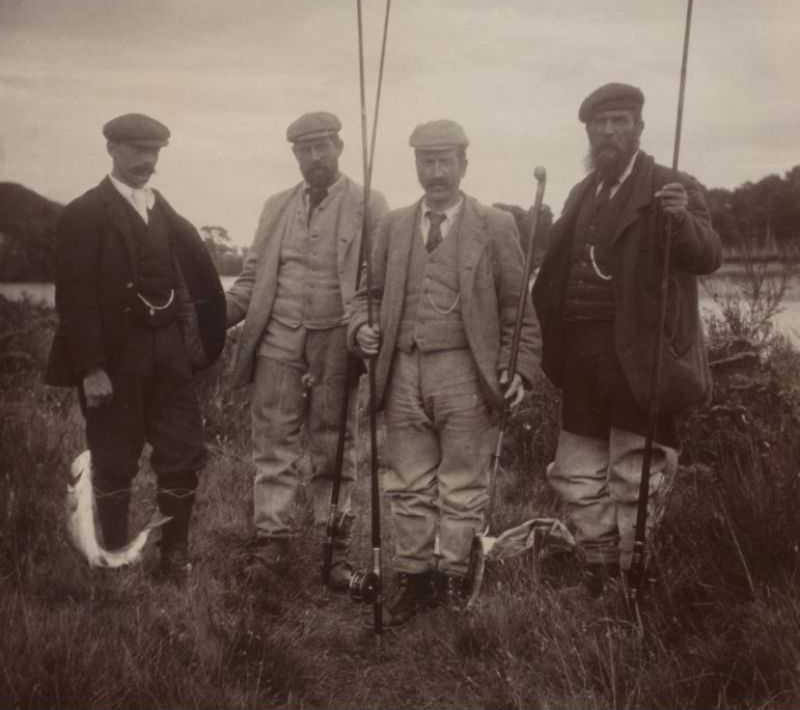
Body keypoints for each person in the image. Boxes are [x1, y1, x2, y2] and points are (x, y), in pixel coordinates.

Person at [532, 82, 722, 593]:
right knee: (576, 470)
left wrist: (680, 220)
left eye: (620, 122)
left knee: (636, 472)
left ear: (639, 128)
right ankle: (597, 568)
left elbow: (707, 255)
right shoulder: (581, 192)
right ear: (590, 132)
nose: (610, 132)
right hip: (582, 358)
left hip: (642, 358)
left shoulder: (670, 186)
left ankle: (634, 572)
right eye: (601, 124)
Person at [350, 119, 540, 625]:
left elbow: (518, 310)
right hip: (402, 371)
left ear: (463, 164)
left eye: (445, 161)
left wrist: (517, 367)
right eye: (426, 161)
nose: (436, 172)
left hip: (465, 371)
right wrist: (360, 332)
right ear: (415, 165)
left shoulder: (495, 225)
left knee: (462, 481)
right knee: (407, 481)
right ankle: (413, 579)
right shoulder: (390, 225)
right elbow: (365, 298)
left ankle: (454, 578)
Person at [46, 112, 227, 581]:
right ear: (111, 150)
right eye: (136, 150)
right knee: (113, 460)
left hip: (170, 359)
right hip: (115, 363)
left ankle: (174, 559)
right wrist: (91, 368)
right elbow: (75, 296)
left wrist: (197, 348)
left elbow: (196, 282)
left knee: (183, 455)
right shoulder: (84, 214)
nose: (146, 160)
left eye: (154, 152)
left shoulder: (164, 212)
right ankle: (112, 560)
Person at [226, 111, 388, 590]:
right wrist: (210, 319)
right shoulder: (276, 205)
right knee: (272, 445)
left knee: (333, 445)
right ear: (294, 154)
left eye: (323, 147)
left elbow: (374, 282)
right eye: (305, 149)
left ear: (339, 147)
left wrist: (364, 331)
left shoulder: (369, 203)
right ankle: (270, 544)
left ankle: (334, 549)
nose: (315, 157)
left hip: (336, 343)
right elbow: (251, 279)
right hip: (276, 340)